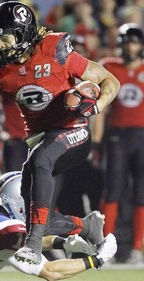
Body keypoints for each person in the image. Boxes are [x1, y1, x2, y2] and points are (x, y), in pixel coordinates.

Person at [0, 1, 120, 265]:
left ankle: (32, 246)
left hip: (73, 131)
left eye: (5, 38)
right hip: (41, 140)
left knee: (40, 160)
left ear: (23, 34)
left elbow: (110, 80)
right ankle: (87, 227)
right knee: (35, 218)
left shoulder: (54, 51)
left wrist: (97, 105)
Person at [95, 23, 144, 264]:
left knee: (141, 193)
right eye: (126, 42)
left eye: (133, 42)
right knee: (112, 190)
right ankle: (107, 245)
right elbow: (101, 110)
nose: (130, 47)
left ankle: (137, 247)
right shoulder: (110, 66)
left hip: (142, 136)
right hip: (118, 136)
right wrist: (95, 141)